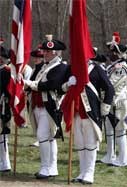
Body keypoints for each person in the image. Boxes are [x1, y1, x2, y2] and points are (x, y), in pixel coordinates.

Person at [62, 53, 114, 184]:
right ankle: (82, 171)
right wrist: (68, 84)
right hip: (75, 111)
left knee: (90, 143)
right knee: (80, 143)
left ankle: (89, 173)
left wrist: (105, 107)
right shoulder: (71, 69)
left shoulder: (96, 69)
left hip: (91, 112)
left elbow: (109, 88)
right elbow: (61, 87)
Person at [24, 34, 68, 179]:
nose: (45, 54)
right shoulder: (43, 66)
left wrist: (32, 85)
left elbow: (51, 85)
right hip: (38, 105)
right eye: (45, 51)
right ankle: (51, 168)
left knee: (43, 136)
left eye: (48, 52)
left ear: (55, 53)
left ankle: (46, 168)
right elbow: (33, 81)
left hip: (50, 107)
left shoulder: (61, 67)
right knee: (49, 138)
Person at [100, 32, 127, 167]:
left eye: (112, 51)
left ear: (118, 53)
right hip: (110, 102)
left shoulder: (121, 68)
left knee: (120, 130)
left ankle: (123, 159)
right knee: (109, 130)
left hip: (119, 102)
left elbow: (112, 84)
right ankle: (110, 155)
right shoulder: (112, 66)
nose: (109, 54)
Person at [0, 39, 12, 172]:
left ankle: (5, 163)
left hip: (3, 106)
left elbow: (9, 91)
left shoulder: (7, 71)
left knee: (3, 135)